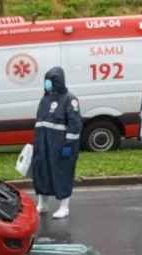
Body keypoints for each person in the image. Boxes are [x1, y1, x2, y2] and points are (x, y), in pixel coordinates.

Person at [31, 67, 83, 219]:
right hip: (43, 144)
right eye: (46, 80)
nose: (47, 84)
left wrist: (68, 145)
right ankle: (42, 204)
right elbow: (39, 122)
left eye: (49, 80)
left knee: (62, 174)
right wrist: (37, 144)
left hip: (60, 145)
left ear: (57, 81)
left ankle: (64, 207)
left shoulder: (69, 99)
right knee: (41, 172)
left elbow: (75, 124)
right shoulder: (45, 99)